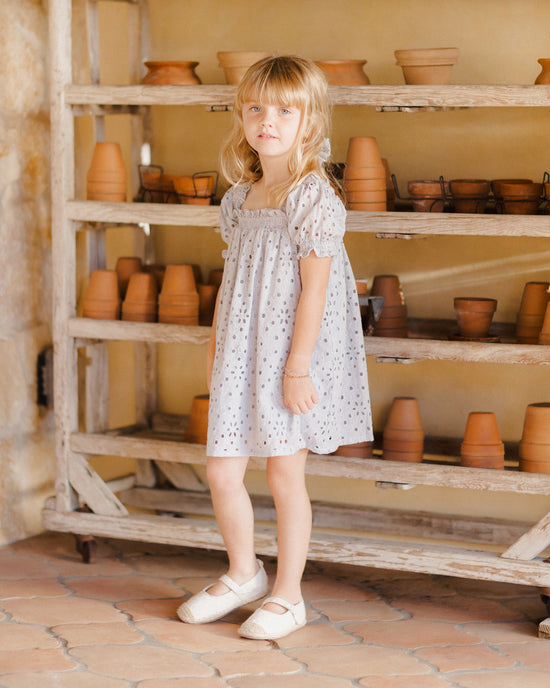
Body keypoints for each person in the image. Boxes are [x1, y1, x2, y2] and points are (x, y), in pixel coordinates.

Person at [177, 54, 372, 640]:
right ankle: (244, 573)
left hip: (290, 355)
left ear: (310, 122)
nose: (269, 121)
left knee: (285, 476)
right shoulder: (240, 199)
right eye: (257, 108)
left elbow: (316, 290)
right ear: (241, 116)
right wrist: (215, 350)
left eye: (286, 111)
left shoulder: (313, 198)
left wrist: (298, 368)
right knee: (221, 471)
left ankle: (289, 595)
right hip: (242, 353)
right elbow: (231, 286)